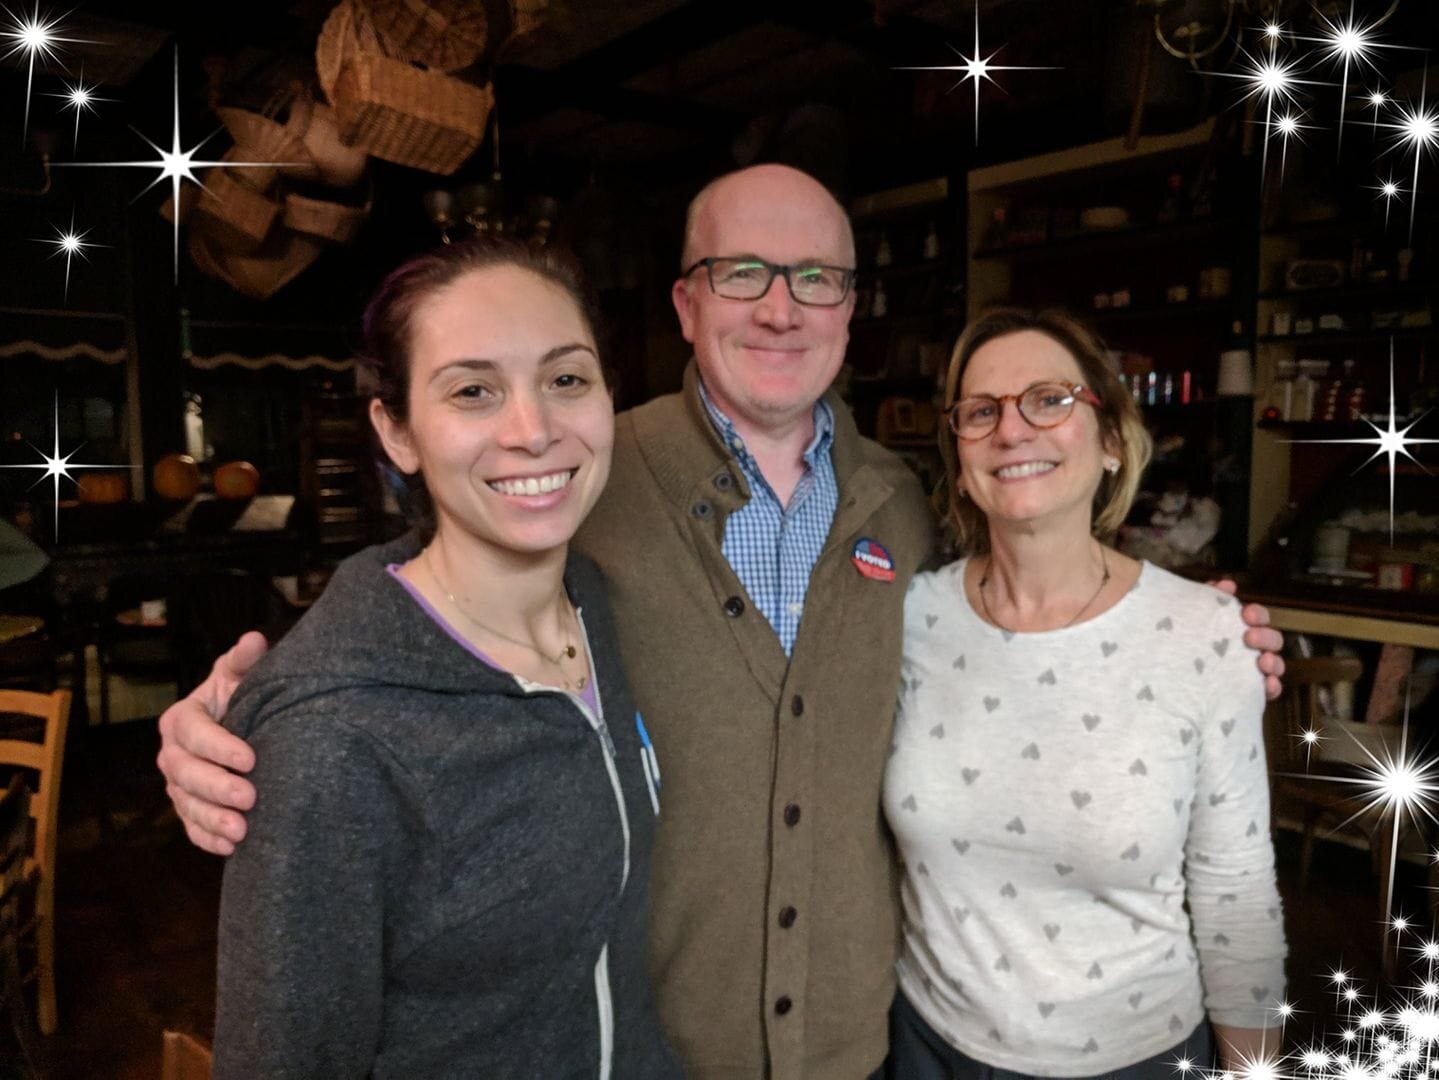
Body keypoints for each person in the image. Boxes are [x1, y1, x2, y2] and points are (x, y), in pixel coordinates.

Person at [159, 165, 1286, 1079]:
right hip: (649, 1044)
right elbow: (448, 574)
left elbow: (1026, 608)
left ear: (852, 307)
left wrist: (1189, 633)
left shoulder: (905, 498)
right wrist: (257, 711)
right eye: (742, 271)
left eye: (815, 277)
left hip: (866, 1045)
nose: (781, 306)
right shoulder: (591, 467)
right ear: (684, 302)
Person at [208, 236, 681, 1079]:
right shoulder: (333, 738)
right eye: (473, 391)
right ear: (396, 433)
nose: (533, 431)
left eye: (566, 379)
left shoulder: (597, 606)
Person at [884, 308, 1285, 1078]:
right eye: (981, 411)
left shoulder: (1205, 635)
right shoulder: (909, 617)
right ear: (959, 456)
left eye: (1049, 399)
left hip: (1134, 1058)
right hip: (927, 1046)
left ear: (1110, 440)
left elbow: (1235, 894)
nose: (1012, 429)